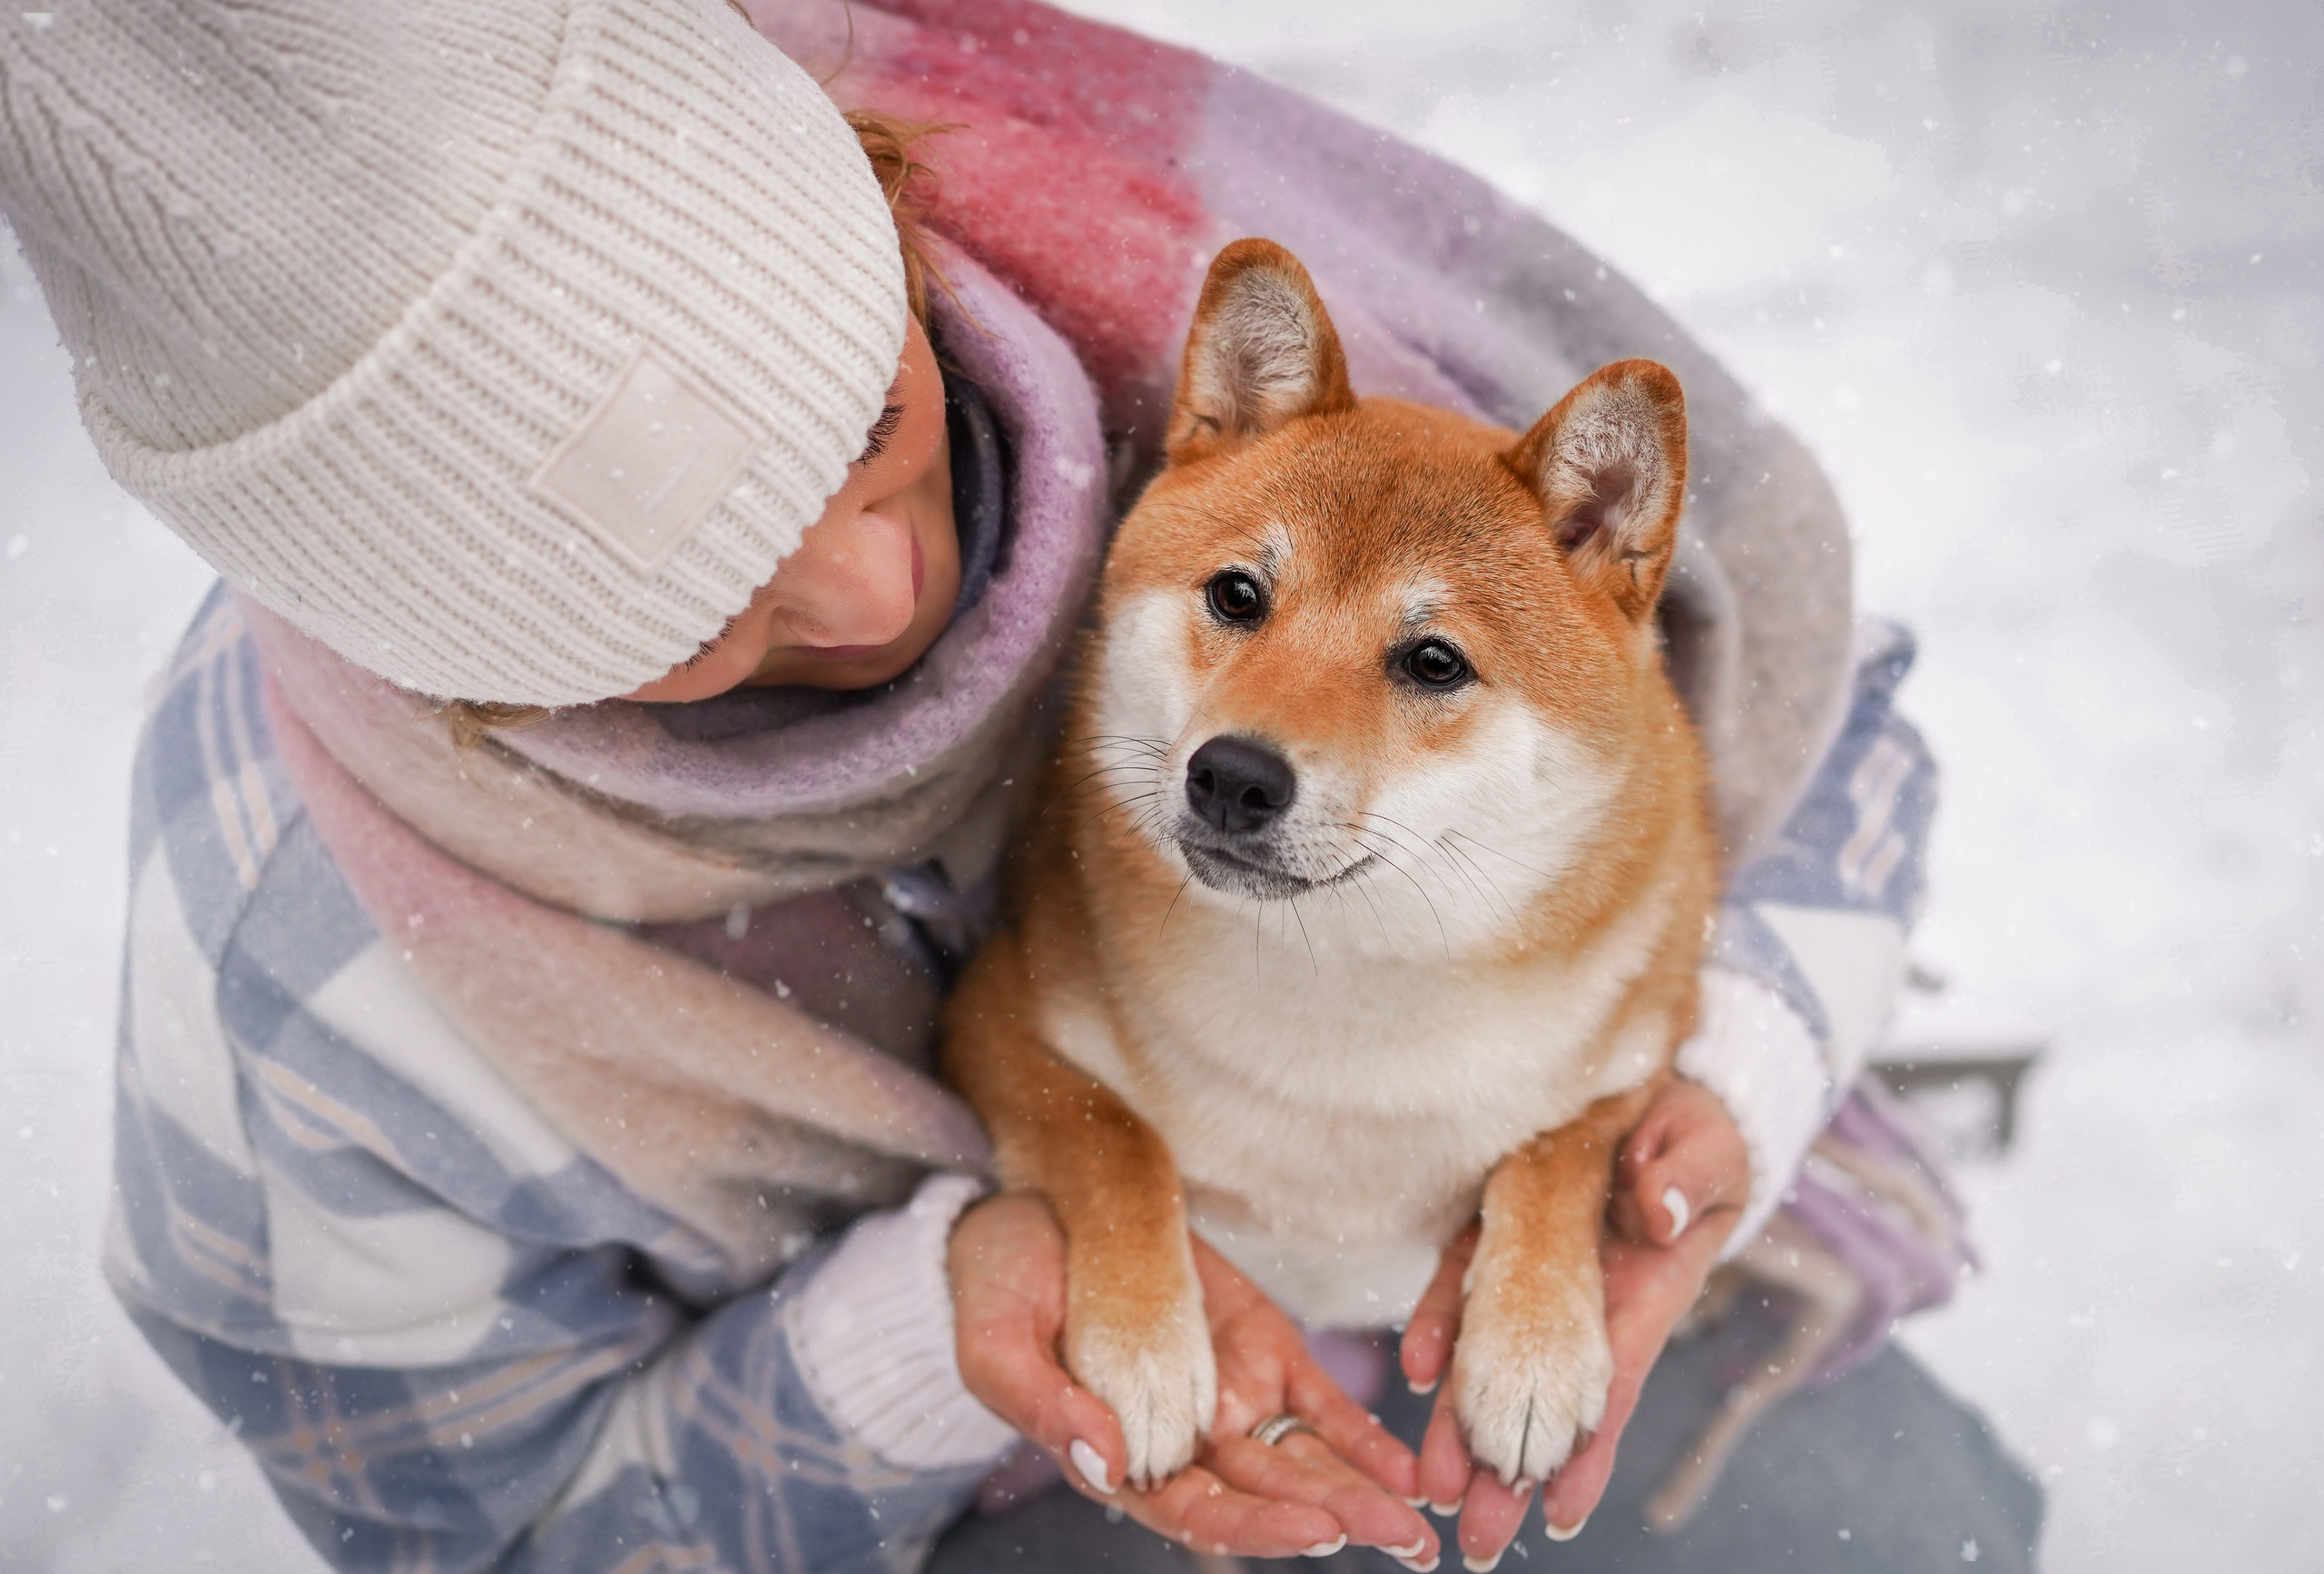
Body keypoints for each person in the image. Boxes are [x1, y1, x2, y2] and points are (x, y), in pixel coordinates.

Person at [0, 0, 2041, 1569]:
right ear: (435, 649)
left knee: (1918, 1516)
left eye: (861, 419)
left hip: (1532, 1248)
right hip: (980, 1500)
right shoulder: (300, 955)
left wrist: (1722, 1074)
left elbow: (1809, 679)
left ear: (884, 204)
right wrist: (917, 1337)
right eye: (675, 603)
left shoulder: (1198, 248)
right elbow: (491, 1527)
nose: (881, 584)